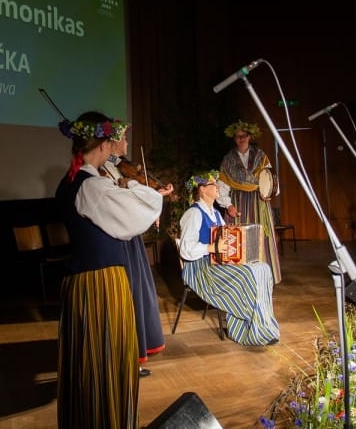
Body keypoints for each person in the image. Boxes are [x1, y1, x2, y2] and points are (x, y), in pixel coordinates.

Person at [54, 111, 165, 429]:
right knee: (106, 365)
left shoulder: (76, 183)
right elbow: (144, 209)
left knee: (93, 367)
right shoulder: (92, 188)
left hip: (83, 284)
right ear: (102, 144)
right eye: (112, 143)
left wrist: (120, 177)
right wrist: (131, 185)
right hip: (102, 285)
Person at [102, 124, 174, 377]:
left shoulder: (117, 168)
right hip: (119, 240)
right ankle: (126, 357)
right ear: (110, 143)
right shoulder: (105, 171)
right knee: (128, 297)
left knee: (138, 295)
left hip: (129, 238)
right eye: (123, 139)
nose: (126, 144)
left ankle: (134, 355)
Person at [178, 169, 280, 346]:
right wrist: (211, 247)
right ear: (202, 189)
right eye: (213, 184)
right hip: (201, 268)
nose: (217, 186)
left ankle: (262, 326)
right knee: (246, 275)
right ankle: (245, 330)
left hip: (218, 262)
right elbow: (186, 249)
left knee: (262, 268)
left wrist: (242, 246)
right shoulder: (193, 214)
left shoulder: (216, 214)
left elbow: (228, 239)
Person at [219, 120, 282, 282]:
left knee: (261, 237)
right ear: (234, 139)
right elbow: (222, 185)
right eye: (238, 136)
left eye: (244, 136)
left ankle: (264, 278)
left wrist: (268, 193)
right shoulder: (228, 160)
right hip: (238, 202)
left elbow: (271, 178)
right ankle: (239, 279)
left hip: (258, 200)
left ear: (250, 137)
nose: (241, 139)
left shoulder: (261, 157)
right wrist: (228, 204)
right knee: (238, 239)